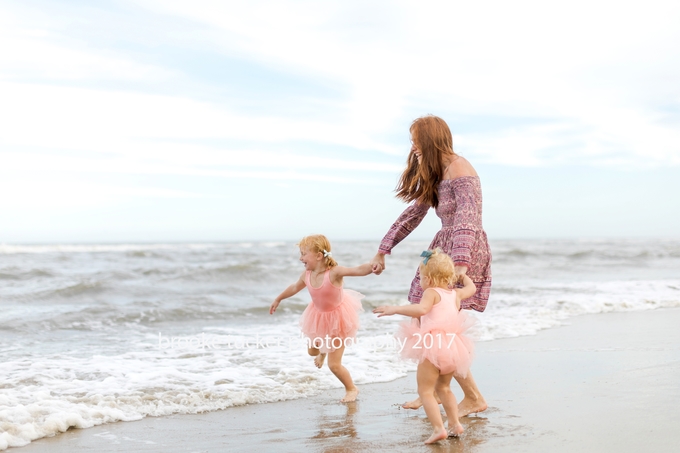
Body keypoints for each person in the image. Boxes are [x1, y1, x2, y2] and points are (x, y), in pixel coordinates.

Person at [370, 114, 491, 415]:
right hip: (440, 249)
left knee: (442, 323)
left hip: (465, 247)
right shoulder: (437, 173)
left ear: (430, 138)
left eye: (416, 140)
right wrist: (383, 248)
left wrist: (461, 263)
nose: (413, 147)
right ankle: (434, 392)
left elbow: (468, 218)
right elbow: (414, 213)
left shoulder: (461, 168)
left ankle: (472, 398)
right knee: (422, 313)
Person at [373, 249, 477, 444]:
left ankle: (439, 428)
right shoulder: (454, 294)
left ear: (428, 279)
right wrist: (464, 276)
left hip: (433, 346)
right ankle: (455, 424)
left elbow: (421, 309)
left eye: (421, 277)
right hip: (453, 346)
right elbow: (471, 289)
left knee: (425, 391)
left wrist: (394, 309)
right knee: (445, 388)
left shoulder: (431, 292)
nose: (420, 281)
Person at [270, 234, 373, 403]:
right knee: (312, 351)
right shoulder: (307, 274)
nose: (300, 258)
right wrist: (278, 298)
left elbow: (357, 270)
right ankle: (322, 353)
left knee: (334, 365)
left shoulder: (334, 273)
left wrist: (372, 267)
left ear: (318, 255)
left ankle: (351, 388)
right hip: (317, 317)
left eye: (304, 254)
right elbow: (295, 287)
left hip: (339, 320)